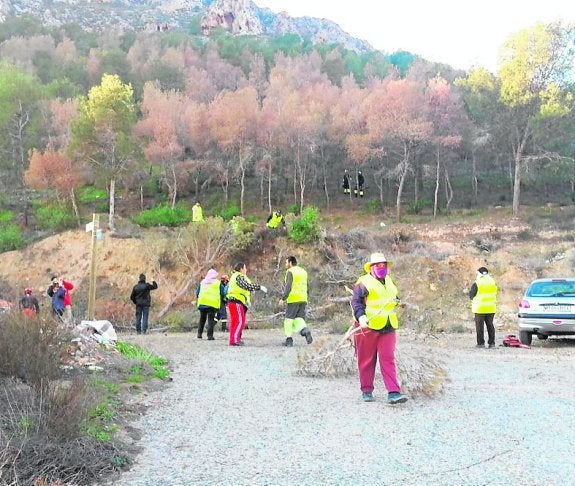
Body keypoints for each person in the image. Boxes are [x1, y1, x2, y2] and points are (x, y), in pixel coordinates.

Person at [351, 252, 407, 404]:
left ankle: (394, 392)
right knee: (366, 360)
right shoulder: (363, 282)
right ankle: (367, 390)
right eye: (378, 265)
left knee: (388, 358)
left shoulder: (389, 281)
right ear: (371, 267)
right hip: (367, 326)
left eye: (384, 265)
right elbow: (356, 302)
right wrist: (361, 316)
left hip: (388, 325)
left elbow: (392, 298)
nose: (382, 268)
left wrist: (397, 302)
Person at [226, 262, 267, 346]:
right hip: (236, 301)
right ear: (241, 269)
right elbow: (246, 286)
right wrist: (259, 287)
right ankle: (235, 340)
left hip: (233, 301)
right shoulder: (239, 276)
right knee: (240, 321)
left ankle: (233, 339)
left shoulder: (234, 276)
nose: (246, 270)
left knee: (235, 322)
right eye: (245, 268)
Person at [279, 256, 313, 347]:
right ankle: (305, 330)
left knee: (288, 320)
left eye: (286, 263)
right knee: (299, 319)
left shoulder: (290, 272)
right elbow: (307, 285)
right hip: (303, 298)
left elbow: (288, 286)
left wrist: (283, 298)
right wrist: (306, 297)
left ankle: (289, 340)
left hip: (293, 298)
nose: (286, 265)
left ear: (290, 263)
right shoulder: (303, 271)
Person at [468, 267, 498, 348]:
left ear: (479, 273)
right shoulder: (492, 281)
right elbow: (495, 292)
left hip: (480, 308)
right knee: (490, 325)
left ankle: (480, 343)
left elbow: (471, 295)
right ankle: (492, 343)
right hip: (491, 308)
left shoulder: (477, 282)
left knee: (480, 327)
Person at [195, 269, 226, 340]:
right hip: (212, 304)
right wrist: (222, 299)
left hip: (202, 303)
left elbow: (197, 292)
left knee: (202, 319)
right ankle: (210, 336)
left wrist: (199, 298)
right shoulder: (218, 283)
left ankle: (199, 334)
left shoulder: (202, 282)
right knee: (210, 320)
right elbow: (223, 293)